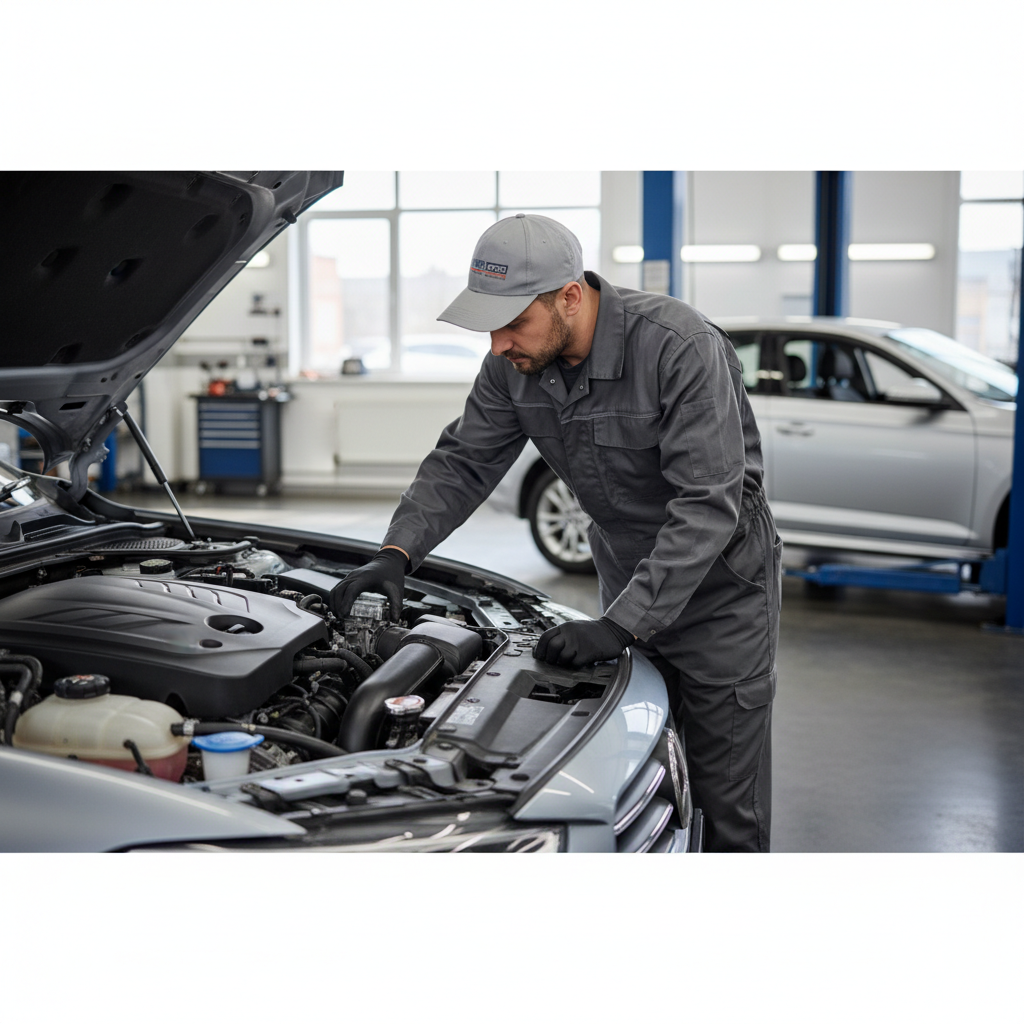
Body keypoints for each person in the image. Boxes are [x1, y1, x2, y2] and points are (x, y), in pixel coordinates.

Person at [330, 214, 781, 852]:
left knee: (723, 795)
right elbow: (464, 462)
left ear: (571, 296)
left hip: (720, 595)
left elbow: (708, 503)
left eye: (514, 323)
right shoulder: (511, 366)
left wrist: (620, 626)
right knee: (646, 778)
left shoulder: (678, 347)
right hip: (629, 577)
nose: (498, 345)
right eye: (491, 326)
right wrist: (397, 553)